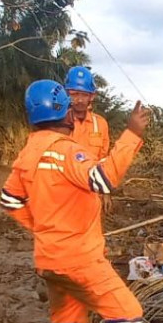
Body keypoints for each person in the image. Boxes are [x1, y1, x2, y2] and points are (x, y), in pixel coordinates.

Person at [0, 80, 151, 323]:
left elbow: (9, 199)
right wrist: (133, 135)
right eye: (69, 105)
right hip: (79, 258)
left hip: (49, 258)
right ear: (60, 111)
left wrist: (42, 227)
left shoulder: (28, 153)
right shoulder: (66, 150)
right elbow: (102, 179)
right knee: (128, 318)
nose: (74, 110)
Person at [65, 66, 113, 213]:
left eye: (84, 95)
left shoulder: (101, 125)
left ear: (92, 96)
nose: (79, 99)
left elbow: (104, 161)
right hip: (64, 195)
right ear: (67, 94)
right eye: (74, 94)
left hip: (91, 194)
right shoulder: (59, 123)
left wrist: (106, 192)